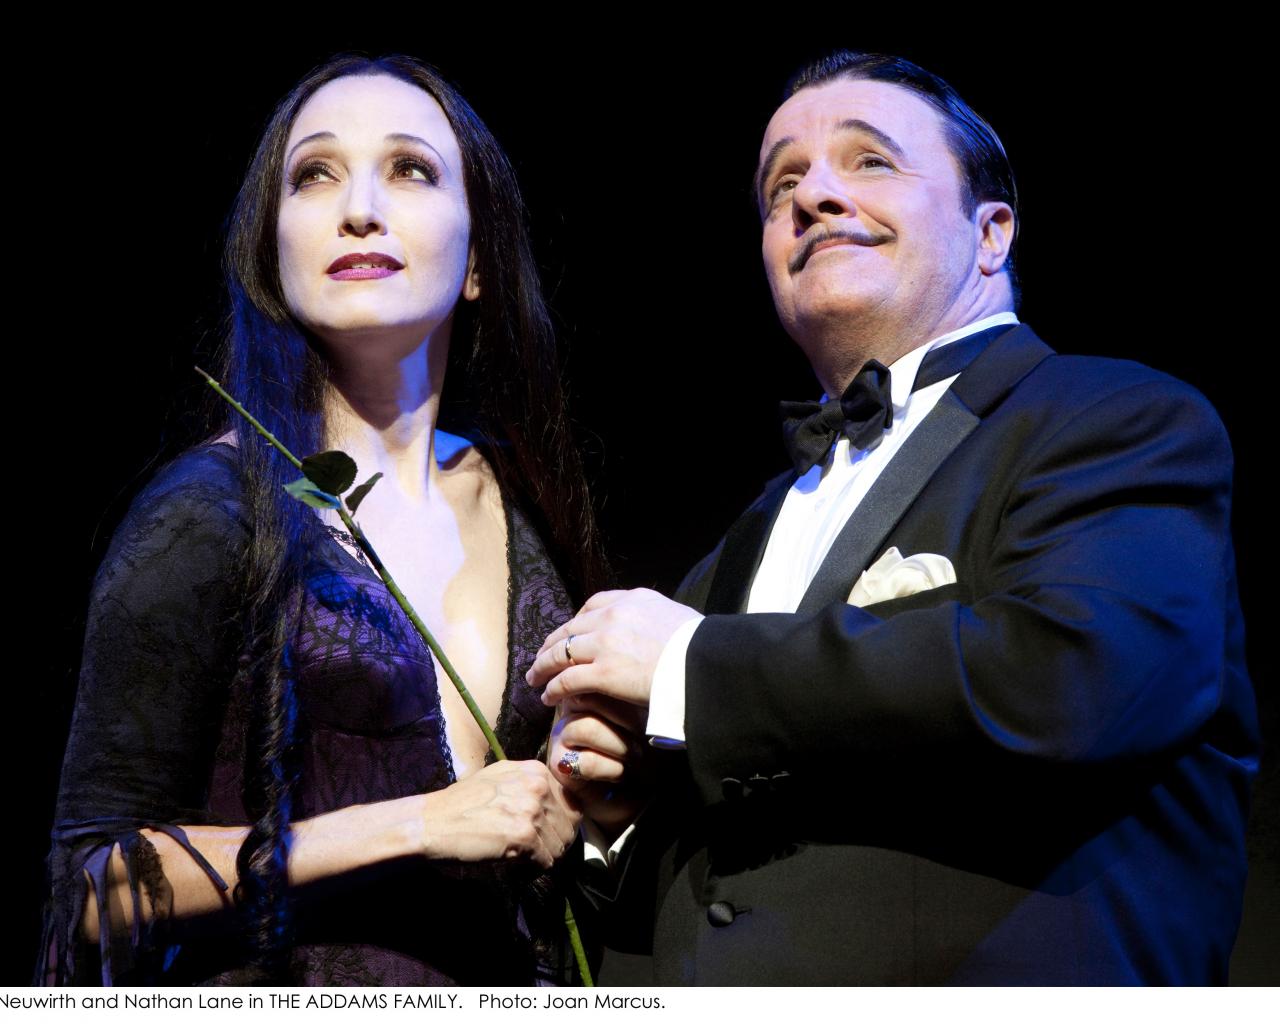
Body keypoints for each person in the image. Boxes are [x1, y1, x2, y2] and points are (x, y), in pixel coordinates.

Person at [529, 51, 1260, 984]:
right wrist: (622, 811)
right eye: (782, 184)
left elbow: (1078, 678)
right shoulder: (746, 540)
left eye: (869, 160)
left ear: (991, 233)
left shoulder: (1117, 419)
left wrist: (688, 667)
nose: (813, 195)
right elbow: (712, 889)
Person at [37, 53, 607, 986]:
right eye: (315, 175)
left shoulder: (525, 504)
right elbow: (92, 887)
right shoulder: (208, 510)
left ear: (479, 260)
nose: (360, 209)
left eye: (411, 169)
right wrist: (419, 824)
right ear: (273, 252)